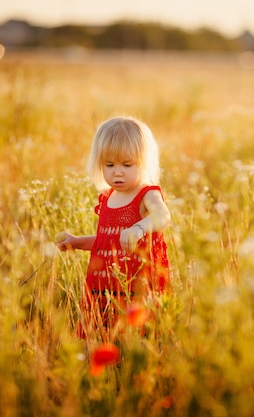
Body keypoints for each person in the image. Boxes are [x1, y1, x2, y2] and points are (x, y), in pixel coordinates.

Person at [55, 116, 171, 341]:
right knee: (103, 338)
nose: (117, 172)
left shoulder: (146, 194)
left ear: (144, 162)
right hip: (105, 288)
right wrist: (76, 241)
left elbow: (163, 215)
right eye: (109, 165)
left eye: (127, 165)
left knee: (137, 337)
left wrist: (139, 228)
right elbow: (106, 242)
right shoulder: (108, 198)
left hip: (136, 286)